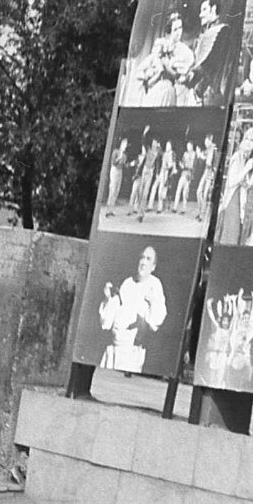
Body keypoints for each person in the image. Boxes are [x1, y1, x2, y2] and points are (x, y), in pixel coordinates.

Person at [98, 246, 167, 374]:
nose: (143, 262)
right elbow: (107, 322)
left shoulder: (154, 285)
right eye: (142, 257)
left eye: (148, 259)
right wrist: (107, 299)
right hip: (113, 350)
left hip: (132, 353)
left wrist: (152, 304)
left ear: (153, 267)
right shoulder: (127, 283)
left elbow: (156, 320)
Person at [215, 127, 253, 246]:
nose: (248, 142)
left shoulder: (245, 158)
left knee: (235, 239)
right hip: (232, 202)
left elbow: (245, 185)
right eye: (246, 138)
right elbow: (232, 181)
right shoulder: (237, 156)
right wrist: (246, 169)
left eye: (252, 140)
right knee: (230, 239)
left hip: (239, 203)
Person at [184, 0, 237, 105]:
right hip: (198, 91)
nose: (200, 15)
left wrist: (193, 74)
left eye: (204, 10)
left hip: (210, 93)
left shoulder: (223, 31)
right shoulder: (206, 34)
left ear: (213, 9)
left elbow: (212, 63)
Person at [105, 137, 129, 215]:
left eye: (126, 145)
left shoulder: (125, 155)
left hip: (120, 171)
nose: (125, 146)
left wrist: (132, 164)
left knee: (117, 190)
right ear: (121, 144)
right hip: (114, 170)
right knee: (112, 189)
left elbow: (125, 165)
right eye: (124, 144)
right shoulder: (116, 151)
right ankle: (108, 210)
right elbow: (113, 162)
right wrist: (119, 158)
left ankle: (111, 210)